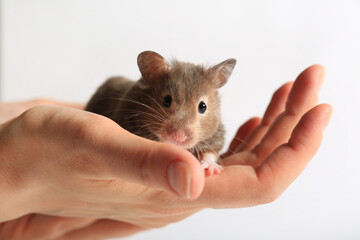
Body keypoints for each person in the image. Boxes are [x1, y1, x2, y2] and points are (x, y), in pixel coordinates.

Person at [0, 65, 332, 239]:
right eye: (168, 102)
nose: (180, 129)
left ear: (212, 102)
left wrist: (211, 158)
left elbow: (214, 143)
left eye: (201, 107)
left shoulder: (211, 128)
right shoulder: (132, 107)